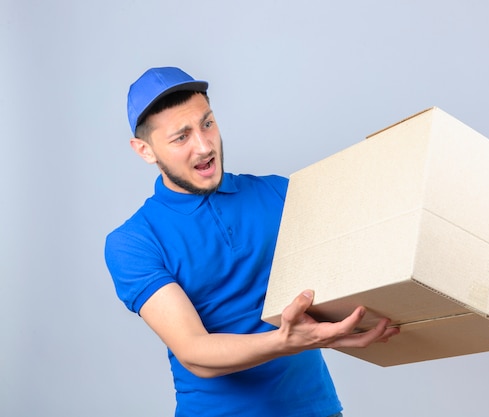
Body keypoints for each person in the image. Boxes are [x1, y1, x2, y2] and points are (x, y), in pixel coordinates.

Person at [104, 66, 399, 417]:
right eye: (181, 137)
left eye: (207, 124)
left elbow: (356, 259)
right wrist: (285, 342)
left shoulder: (280, 193)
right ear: (145, 150)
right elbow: (194, 351)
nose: (204, 145)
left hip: (317, 409)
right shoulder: (133, 241)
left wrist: (356, 322)